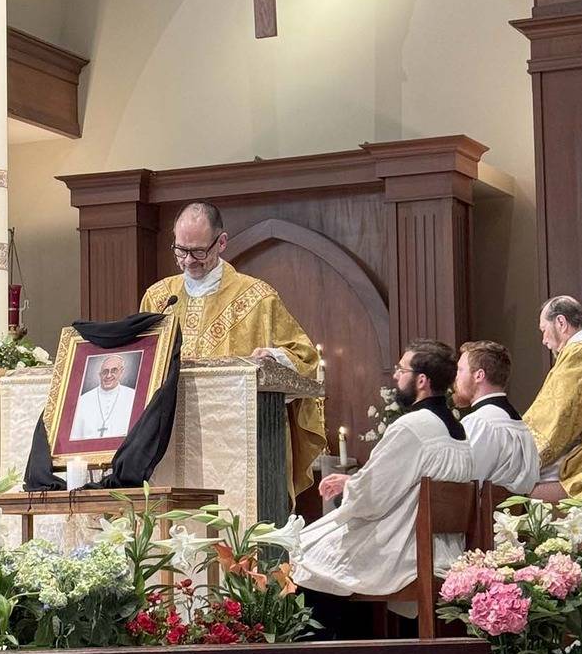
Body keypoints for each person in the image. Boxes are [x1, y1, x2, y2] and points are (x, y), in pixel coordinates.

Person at [140, 201, 324, 498]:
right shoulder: (158, 297)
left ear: (221, 242)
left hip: (237, 447)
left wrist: (274, 360)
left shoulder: (258, 298)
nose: (188, 261)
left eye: (199, 251)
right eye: (180, 250)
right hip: (169, 443)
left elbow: (307, 361)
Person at [291, 341, 474, 616]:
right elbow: (393, 483)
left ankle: (330, 653)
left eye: (402, 370)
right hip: (444, 548)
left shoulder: (412, 427)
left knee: (306, 557)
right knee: (318, 552)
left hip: (406, 548)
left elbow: (372, 498)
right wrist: (351, 483)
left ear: (421, 380)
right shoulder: (457, 431)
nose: (396, 376)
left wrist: (352, 488)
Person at [523, 296, 582, 501]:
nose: (544, 340)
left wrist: (515, 450)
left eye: (543, 330)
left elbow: (557, 417)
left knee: (506, 489)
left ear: (561, 322)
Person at [454, 341, 539, 494]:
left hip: (481, 515)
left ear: (479, 375)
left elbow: (459, 485)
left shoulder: (481, 422)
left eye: (460, 370)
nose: (456, 378)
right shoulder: (520, 422)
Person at [69, 353, 136, 440]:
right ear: (100, 374)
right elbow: (74, 437)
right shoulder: (83, 400)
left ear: (121, 372)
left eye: (114, 371)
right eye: (105, 372)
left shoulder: (133, 396)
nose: (108, 375)